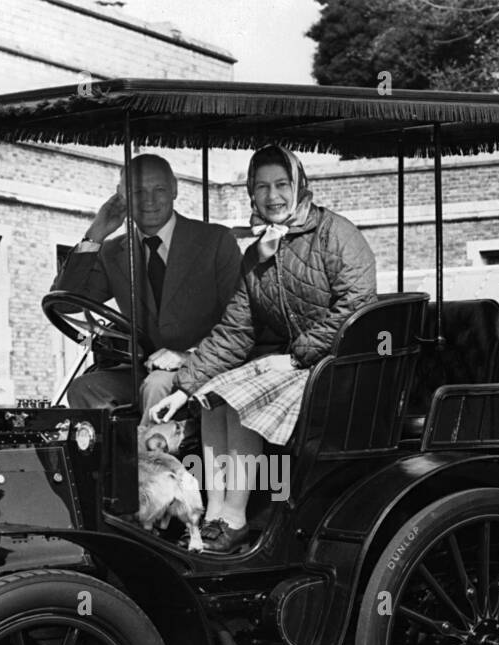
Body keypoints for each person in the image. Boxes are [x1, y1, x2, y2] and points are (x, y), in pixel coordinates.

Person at [151, 144, 377, 553]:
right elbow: (236, 329)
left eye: (282, 184)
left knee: (239, 400)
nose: (272, 196)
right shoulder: (256, 254)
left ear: (299, 186)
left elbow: (356, 307)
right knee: (211, 399)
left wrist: (294, 356)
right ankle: (215, 515)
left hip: (342, 364)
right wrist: (184, 388)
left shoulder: (335, 233)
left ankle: (235, 518)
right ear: (251, 194)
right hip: (293, 364)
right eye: (262, 187)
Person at [53, 154, 242, 414]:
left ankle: (151, 454)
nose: (150, 201)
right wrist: (95, 234)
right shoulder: (112, 252)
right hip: (140, 370)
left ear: (175, 189)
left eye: (159, 189)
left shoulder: (216, 241)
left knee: (156, 385)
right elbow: (64, 304)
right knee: (83, 387)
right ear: (121, 195)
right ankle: (112, 454)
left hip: (205, 368)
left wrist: (190, 355)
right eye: (138, 191)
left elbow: (240, 322)